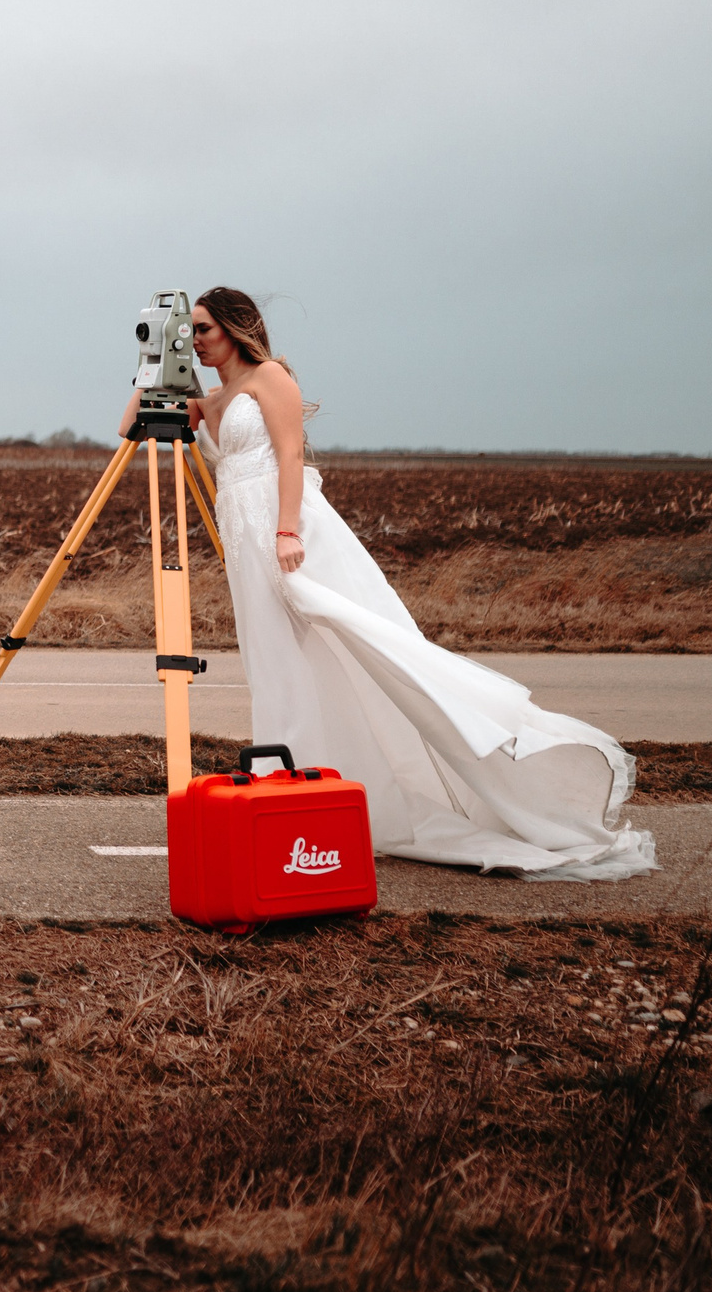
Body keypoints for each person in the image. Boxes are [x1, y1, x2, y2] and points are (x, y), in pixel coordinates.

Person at [120, 288, 652, 880]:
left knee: (361, 639)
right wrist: (155, 369)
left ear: (235, 329)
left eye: (202, 330)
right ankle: (298, 787)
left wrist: (287, 531)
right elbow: (130, 428)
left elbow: (291, 455)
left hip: (289, 536)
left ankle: (470, 753)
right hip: (245, 548)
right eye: (187, 332)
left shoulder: (271, 378)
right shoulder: (209, 401)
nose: (194, 341)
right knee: (277, 666)